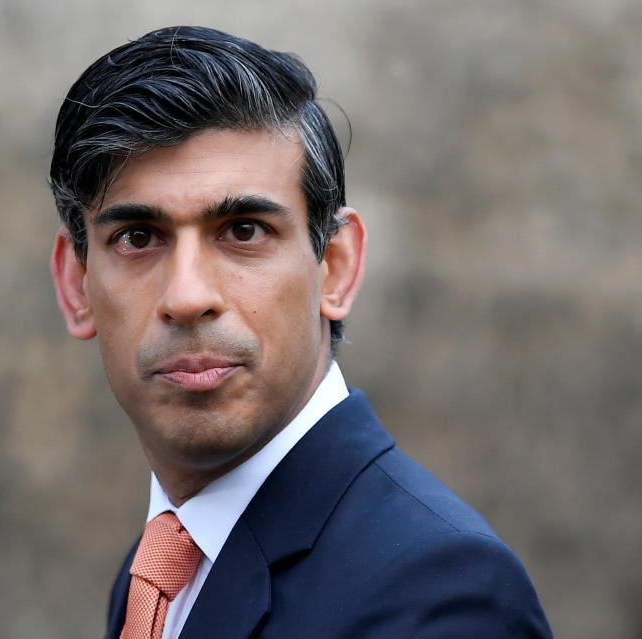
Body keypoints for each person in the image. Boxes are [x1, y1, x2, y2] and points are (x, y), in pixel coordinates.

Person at [49, 26, 552, 639]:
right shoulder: (157, 572)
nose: (186, 297)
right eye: (137, 238)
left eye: (244, 231)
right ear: (77, 288)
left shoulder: (442, 594)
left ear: (335, 268)